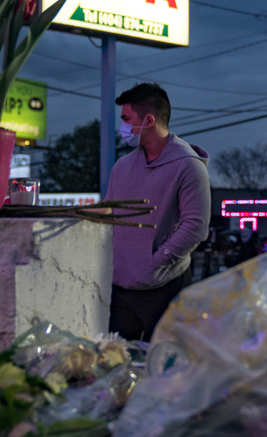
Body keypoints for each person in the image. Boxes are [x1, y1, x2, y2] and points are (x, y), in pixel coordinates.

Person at [104, 82, 211, 342]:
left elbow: (196, 226)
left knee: (163, 366)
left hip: (165, 287)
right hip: (119, 289)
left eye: (127, 119)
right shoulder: (122, 166)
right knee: (116, 363)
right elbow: (107, 216)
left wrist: (156, 260)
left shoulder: (188, 167)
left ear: (148, 120)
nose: (123, 127)